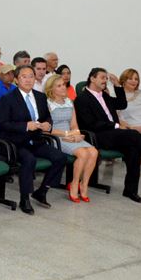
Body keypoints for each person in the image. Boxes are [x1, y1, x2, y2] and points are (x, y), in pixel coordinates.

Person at [74, 67, 141, 202]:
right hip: (98, 135)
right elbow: (90, 124)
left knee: (133, 150)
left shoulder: (104, 95)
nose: (105, 81)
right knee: (133, 135)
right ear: (92, 78)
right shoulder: (82, 99)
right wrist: (116, 125)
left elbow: (122, 104)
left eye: (106, 78)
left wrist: (117, 86)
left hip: (114, 134)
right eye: (102, 78)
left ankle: (130, 191)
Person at [0, 65, 68, 215]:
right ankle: (25, 198)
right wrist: (25, 126)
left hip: (36, 139)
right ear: (16, 80)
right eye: (24, 76)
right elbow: (2, 124)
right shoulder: (8, 99)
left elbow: (46, 117)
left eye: (31, 76)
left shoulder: (40, 97)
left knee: (60, 157)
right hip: (15, 141)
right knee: (29, 160)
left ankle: (42, 191)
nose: (28, 80)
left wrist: (47, 124)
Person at [44, 73, 99, 201]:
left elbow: (74, 124)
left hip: (70, 135)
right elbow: (47, 130)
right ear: (51, 89)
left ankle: (84, 184)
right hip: (56, 137)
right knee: (83, 154)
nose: (63, 87)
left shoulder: (69, 102)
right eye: (59, 86)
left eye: (63, 84)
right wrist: (67, 135)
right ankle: (74, 183)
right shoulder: (47, 104)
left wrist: (77, 135)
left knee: (93, 152)